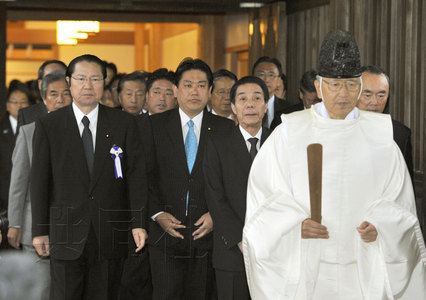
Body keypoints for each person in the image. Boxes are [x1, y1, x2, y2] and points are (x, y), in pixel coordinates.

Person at [243, 30, 426, 299]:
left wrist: (382, 225)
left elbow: (400, 200)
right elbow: (264, 195)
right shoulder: (290, 132)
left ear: (360, 87)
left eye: (352, 85)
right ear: (318, 86)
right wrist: (294, 224)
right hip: (307, 263)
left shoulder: (381, 135)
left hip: (363, 263)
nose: (344, 93)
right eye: (335, 85)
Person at [30, 54, 148, 299]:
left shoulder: (123, 123)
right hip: (64, 232)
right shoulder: (49, 125)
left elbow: (136, 177)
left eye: (95, 79)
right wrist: (40, 230)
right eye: (81, 78)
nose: (87, 85)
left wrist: (138, 222)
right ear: (69, 82)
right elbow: (40, 180)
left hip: (109, 232)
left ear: (104, 84)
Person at [143, 58, 234, 300]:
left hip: (208, 235)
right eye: (188, 85)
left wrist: (217, 214)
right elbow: (143, 176)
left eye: (202, 85)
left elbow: (233, 181)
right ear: (176, 90)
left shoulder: (225, 128)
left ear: (210, 91)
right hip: (164, 233)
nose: (195, 91)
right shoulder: (152, 126)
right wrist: (157, 214)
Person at [7, 71, 72, 300]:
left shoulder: (82, 132)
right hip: (34, 224)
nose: (60, 99)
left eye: (66, 94)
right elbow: (18, 183)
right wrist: (15, 223)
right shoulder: (28, 132)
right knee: (41, 290)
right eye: (54, 94)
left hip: (72, 227)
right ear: (44, 99)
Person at [204, 76, 270, 300]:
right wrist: (241, 240)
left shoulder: (279, 142)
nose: (250, 104)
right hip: (233, 250)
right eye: (243, 99)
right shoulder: (217, 144)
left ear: (266, 105)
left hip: (275, 249)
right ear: (233, 107)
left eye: (256, 98)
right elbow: (215, 197)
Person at [357, 65, 414, 179]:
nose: (374, 102)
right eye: (367, 95)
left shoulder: (400, 134)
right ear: (353, 94)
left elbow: (407, 187)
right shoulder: (338, 127)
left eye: (381, 95)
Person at [0, 81, 30, 213]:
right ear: (7, 105)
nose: (19, 105)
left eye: (23, 101)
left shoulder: (35, 127)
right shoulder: (1, 128)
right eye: (14, 101)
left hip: (29, 195)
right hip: (4, 194)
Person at [17, 59, 67, 129]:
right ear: (40, 84)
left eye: (61, 77)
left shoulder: (82, 112)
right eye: (50, 78)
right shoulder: (26, 115)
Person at [252, 56, 292, 128]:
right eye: (261, 74)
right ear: (253, 78)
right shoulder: (245, 106)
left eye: (271, 75)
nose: (266, 79)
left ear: (278, 80)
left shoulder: (290, 109)